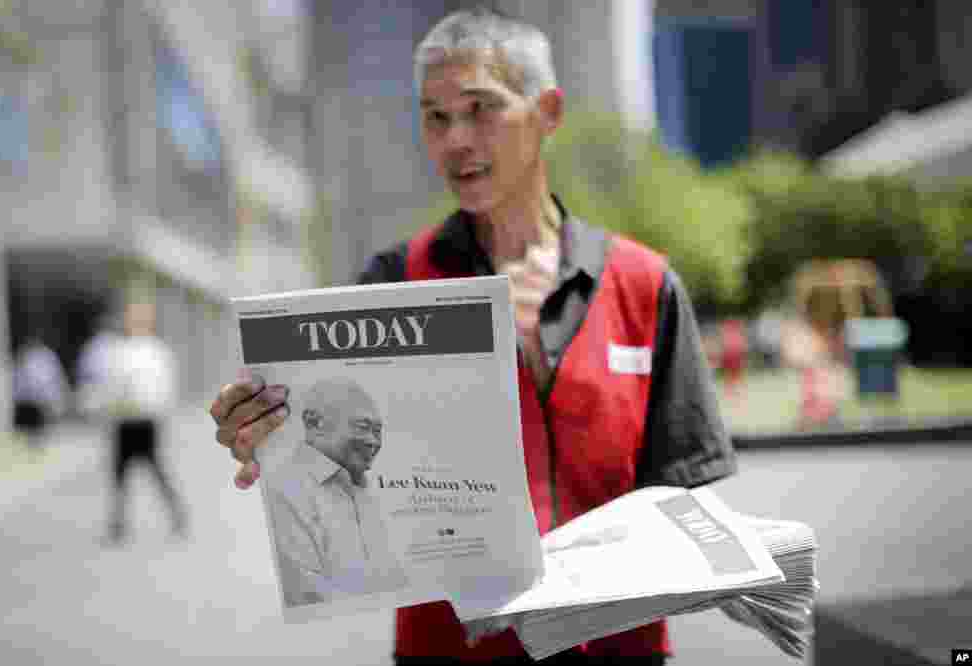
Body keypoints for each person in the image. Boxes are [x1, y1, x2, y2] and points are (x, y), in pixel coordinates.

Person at [210, 7, 736, 664]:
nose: (455, 138)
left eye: (480, 108)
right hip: (449, 651)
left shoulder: (645, 285)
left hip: (617, 652)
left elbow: (679, 499)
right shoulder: (392, 282)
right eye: (435, 116)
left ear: (547, 112)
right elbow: (338, 465)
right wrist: (270, 431)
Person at [268, 378, 407, 607]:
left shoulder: (364, 491)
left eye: (378, 431)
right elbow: (308, 597)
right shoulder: (282, 489)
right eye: (363, 427)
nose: (373, 442)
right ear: (314, 422)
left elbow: (394, 579)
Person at [93, 300, 189, 545]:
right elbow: (111, 385)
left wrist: (163, 414)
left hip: (147, 418)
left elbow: (166, 388)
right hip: (125, 419)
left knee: (155, 469)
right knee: (119, 472)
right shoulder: (122, 350)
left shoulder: (157, 351)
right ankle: (118, 524)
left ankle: (177, 514)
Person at [12, 335, 69, 447]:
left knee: (38, 430)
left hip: (39, 400)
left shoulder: (46, 356)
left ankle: (37, 443)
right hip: (28, 400)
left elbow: (54, 378)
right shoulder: (24, 356)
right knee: (28, 431)